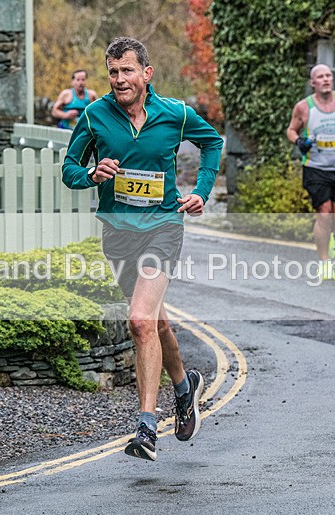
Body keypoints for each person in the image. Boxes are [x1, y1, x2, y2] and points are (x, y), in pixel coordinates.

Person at [62, 37, 224, 461]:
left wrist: (201, 191)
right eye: (113, 72)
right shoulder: (95, 117)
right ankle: (185, 387)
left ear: (146, 74)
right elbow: (69, 170)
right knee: (156, 323)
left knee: (138, 321)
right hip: (118, 233)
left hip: (164, 227)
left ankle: (147, 427)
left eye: (127, 71)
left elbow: (214, 144)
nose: (119, 79)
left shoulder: (176, 114)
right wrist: (92, 175)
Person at [286, 64, 335, 280]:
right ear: (313, 83)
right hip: (315, 168)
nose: (326, 79)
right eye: (320, 76)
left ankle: (329, 237)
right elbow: (291, 130)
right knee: (324, 214)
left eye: (329, 75)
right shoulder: (303, 107)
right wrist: (299, 141)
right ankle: (324, 262)